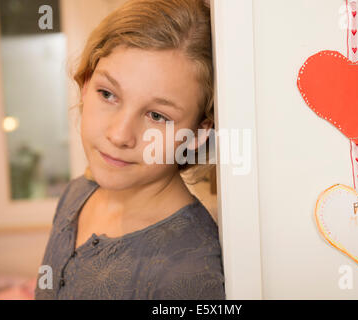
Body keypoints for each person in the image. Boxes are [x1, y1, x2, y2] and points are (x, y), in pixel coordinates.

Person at [34, 0, 225, 300]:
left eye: (157, 116)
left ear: (198, 135)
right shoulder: (76, 195)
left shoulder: (190, 272)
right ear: (85, 84)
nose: (120, 135)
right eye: (108, 94)